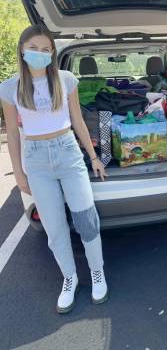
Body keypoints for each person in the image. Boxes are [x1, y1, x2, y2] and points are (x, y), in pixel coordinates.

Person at [0, 25, 109, 314]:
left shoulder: (66, 79)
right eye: (33, 48)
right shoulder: (9, 88)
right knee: (54, 227)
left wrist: (93, 157)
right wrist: (19, 172)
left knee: (86, 218)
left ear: (52, 53)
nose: (39, 53)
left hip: (68, 154)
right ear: (22, 50)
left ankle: (97, 272)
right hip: (36, 160)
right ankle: (69, 278)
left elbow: (78, 121)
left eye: (46, 49)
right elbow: (11, 132)